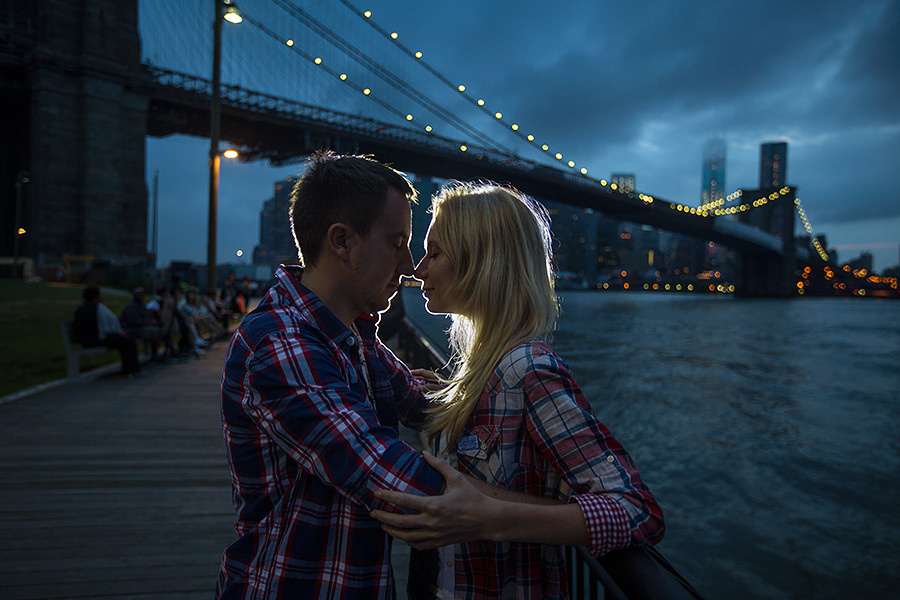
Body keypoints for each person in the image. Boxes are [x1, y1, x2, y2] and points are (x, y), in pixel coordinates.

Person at [371, 182, 665, 599]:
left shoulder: (528, 369)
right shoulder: (483, 370)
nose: (418, 269)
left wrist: (491, 518)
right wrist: (452, 399)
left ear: (481, 261)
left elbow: (637, 510)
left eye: (434, 253)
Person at [215, 151, 447, 599]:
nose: (411, 267)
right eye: (398, 243)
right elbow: (403, 486)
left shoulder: (351, 335)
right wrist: (557, 514)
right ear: (341, 241)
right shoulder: (280, 343)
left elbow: (425, 405)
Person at [72, 285, 141, 376]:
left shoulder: (81, 309)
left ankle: (129, 369)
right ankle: (132, 370)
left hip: (86, 340)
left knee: (125, 340)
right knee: (129, 341)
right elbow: (107, 326)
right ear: (96, 297)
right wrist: (119, 332)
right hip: (97, 339)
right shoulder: (98, 308)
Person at [119, 287, 162, 361]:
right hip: (132, 329)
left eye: (142, 295)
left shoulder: (142, 306)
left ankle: (156, 355)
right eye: (139, 295)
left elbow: (147, 317)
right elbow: (136, 322)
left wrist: (154, 320)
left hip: (141, 328)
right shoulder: (131, 307)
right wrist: (151, 323)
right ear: (135, 296)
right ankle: (154, 357)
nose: (141, 297)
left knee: (161, 330)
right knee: (156, 332)